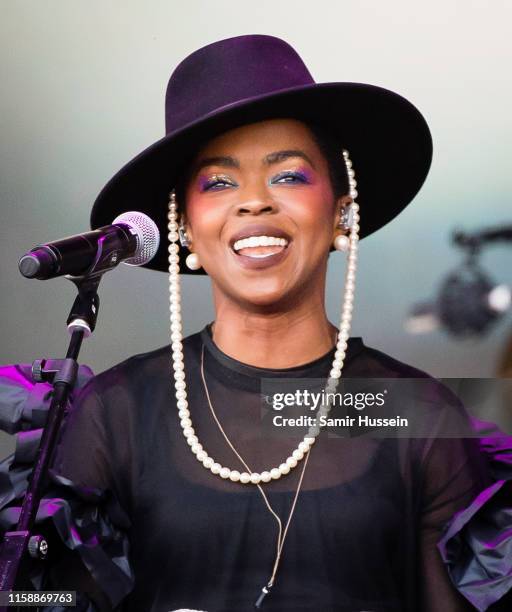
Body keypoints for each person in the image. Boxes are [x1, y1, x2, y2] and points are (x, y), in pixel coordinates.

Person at [1, 34, 511, 612]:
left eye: (289, 175)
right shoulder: (117, 409)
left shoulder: (413, 412)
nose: (253, 202)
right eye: (218, 183)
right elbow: (42, 600)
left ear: (341, 209)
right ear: (185, 228)